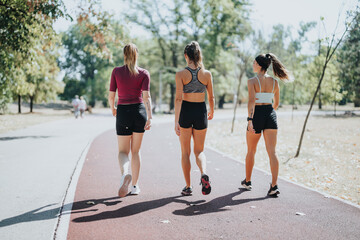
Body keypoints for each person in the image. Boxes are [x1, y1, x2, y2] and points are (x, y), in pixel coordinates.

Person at [241, 53, 290, 196]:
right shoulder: (275, 82)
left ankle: (248, 182)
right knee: (272, 152)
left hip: (256, 115)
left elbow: (251, 101)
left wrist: (250, 120)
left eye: (254, 63)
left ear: (260, 65)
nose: (252, 65)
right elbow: (276, 103)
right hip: (270, 114)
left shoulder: (252, 81)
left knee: (251, 150)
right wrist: (268, 113)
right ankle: (274, 186)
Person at [108, 43, 152, 197]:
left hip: (123, 112)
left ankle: (125, 174)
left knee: (122, 151)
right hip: (139, 112)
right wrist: (150, 116)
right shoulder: (144, 73)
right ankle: (134, 186)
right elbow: (146, 97)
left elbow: (112, 95)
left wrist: (113, 108)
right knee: (136, 151)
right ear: (137, 55)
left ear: (124, 55)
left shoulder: (116, 72)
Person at [174, 41, 215, 196]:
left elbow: (178, 99)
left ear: (186, 56)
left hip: (186, 110)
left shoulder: (181, 74)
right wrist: (212, 111)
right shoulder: (207, 74)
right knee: (199, 151)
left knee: (185, 152)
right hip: (200, 111)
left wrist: (176, 120)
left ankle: (188, 186)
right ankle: (204, 173)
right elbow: (211, 97)